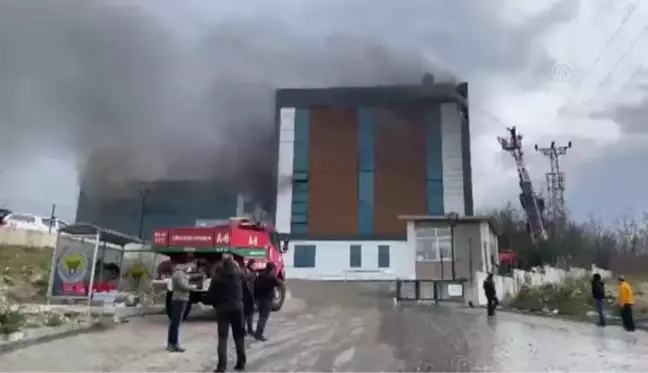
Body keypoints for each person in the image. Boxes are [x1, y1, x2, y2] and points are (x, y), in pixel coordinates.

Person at [208, 255, 247, 372]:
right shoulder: (239, 276)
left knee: (223, 338)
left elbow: (210, 295)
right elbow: (247, 288)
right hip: (238, 308)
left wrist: (216, 304)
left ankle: (221, 367)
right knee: (239, 336)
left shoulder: (217, 278)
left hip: (223, 309)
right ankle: (241, 362)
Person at [167, 262, 194, 352]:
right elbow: (183, 286)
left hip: (181, 299)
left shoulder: (181, 274)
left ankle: (172, 343)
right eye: (190, 267)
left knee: (176, 322)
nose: (190, 269)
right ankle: (173, 344)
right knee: (176, 323)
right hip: (179, 300)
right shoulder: (179, 274)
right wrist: (192, 287)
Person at [253, 262, 283, 341]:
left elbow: (255, 286)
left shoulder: (260, 275)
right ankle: (258, 334)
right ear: (272, 269)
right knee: (263, 318)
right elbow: (280, 284)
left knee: (261, 317)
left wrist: (255, 299)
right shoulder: (271, 277)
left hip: (259, 298)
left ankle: (257, 332)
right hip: (267, 300)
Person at [243, 259, 257, 335]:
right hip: (247, 296)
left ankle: (250, 329)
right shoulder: (248, 273)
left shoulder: (253, 273)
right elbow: (247, 284)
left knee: (250, 314)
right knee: (245, 314)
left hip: (251, 296)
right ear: (251, 265)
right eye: (255, 265)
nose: (256, 266)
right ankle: (244, 330)